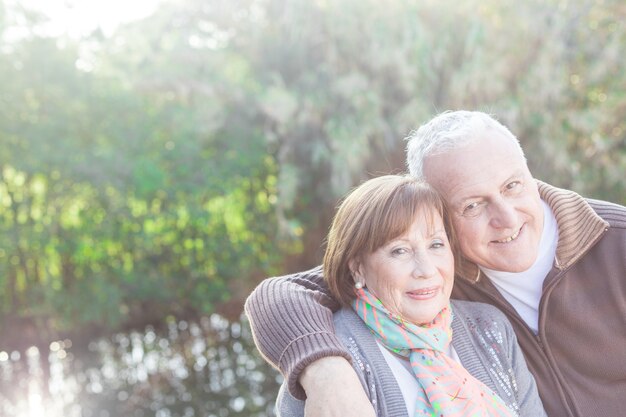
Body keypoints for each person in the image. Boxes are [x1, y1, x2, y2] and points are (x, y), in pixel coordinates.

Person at [245, 111, 626, 417]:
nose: (507, 218)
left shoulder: (616, 243)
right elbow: (281, 293)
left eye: (512, 185)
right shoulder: (439, 269)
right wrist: (326, 371)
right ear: (436, 214)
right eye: (472, 205)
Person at [274, 175, 546, 417]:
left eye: (436, 245)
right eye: (399, 251)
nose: (426, 270)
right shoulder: (326, 358)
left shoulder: (489, 328)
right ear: (358, 268)